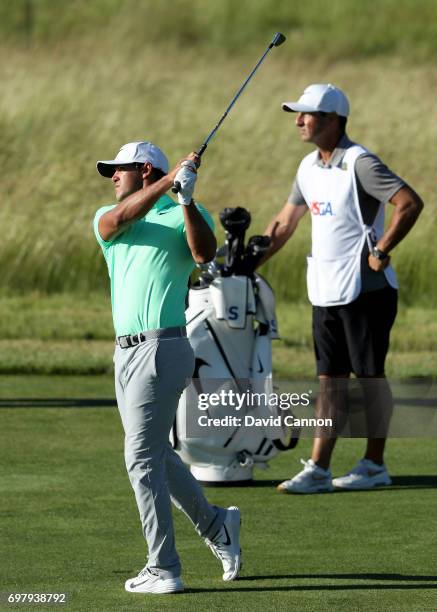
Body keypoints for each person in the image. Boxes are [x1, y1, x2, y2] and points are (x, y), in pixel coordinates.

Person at [93, 141, 242, 594]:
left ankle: (164, 567)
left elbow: (203, 254)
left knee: (139, 459)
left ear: (141, 169)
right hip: (124, 353)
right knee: (154, 453)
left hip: (163, 347)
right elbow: (113, 221)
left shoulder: (179, 215)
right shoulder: (109, 215)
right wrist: (167, 181)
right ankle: (217, 524)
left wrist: (188, 199)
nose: (112, 177)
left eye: (118, 170)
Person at [260, 84, 423, 493]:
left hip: (367, 290)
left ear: (333, 120)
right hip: (325, 288)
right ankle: (319, 468)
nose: (298, 121)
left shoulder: (360, 163)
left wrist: (383, 249)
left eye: (307, 114)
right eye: (297, 114)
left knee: (369, 378)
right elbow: (285, 223)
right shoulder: (307, 168)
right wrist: (246, 264)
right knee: (329, 380)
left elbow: (409, 202)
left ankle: (374, 464)